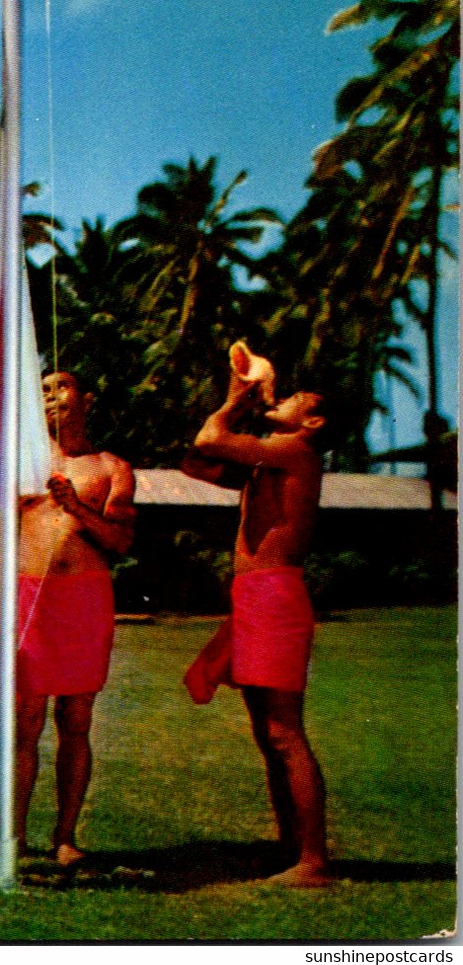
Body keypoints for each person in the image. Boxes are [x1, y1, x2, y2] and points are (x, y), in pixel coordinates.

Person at [0, 371, 134, 868]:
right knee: (23, 722)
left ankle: (66, 837)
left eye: (64, 386)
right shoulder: (21, 463)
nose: (52, 395)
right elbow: (0, 528)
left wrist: (76, 507)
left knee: (76, 721)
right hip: (27, 600)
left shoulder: (111, 467)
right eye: (43, 388)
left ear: (87, 397)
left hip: (85, 599)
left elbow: (120, 541)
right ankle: (15, 834)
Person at [181, 362, 334, 887]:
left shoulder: (295, 451)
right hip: (254, 596)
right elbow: (197, 462)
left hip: (273, 595)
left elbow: (210, 435)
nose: (282, 399)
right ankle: (292, 849)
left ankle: (313, 861)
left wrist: (233, 402)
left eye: (294, 400)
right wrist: (242, 404)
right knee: (268, 733)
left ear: (312, 423)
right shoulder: (270, 459)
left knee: (284, 732)